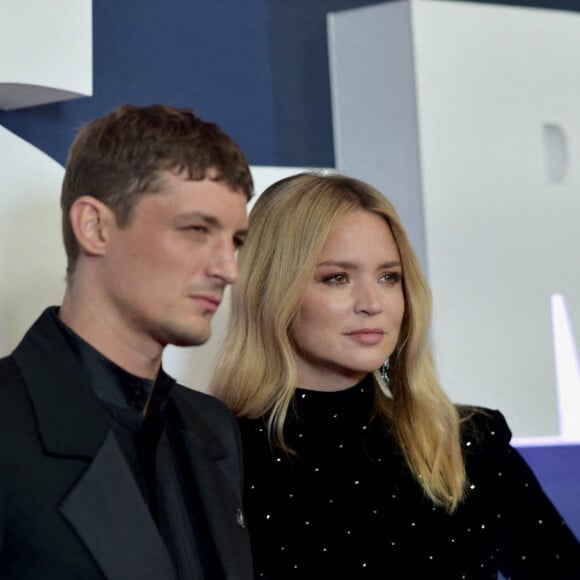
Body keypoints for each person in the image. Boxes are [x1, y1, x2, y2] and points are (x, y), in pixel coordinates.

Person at [211, 172, 580, 579]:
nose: (373, 303)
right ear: (272, 288)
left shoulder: (468, 443)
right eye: (337, 277)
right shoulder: (216, 458)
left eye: (389, 277)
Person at [0, 104, 254, 580]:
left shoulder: (214, 430)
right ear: (95, 226)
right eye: (196, 230)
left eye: (235, 241)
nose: (227, 269)